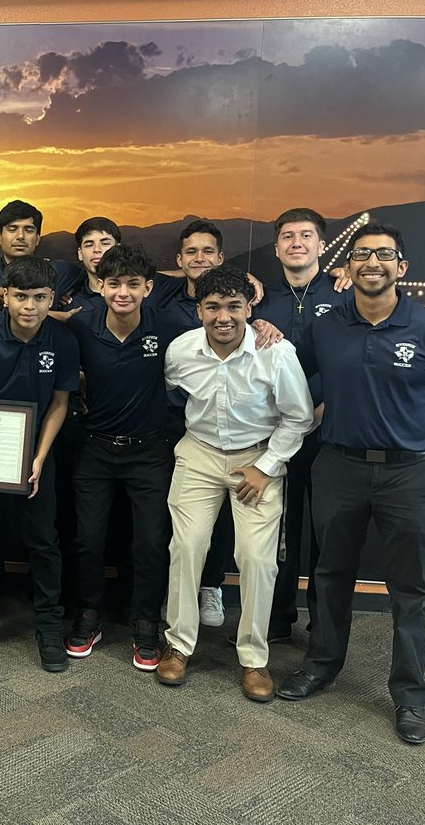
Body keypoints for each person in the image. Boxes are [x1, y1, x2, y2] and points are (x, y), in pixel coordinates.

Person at [277, 222, 425, 745]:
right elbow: (293, 373)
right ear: (346, 266)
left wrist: (414, 423)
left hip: (409, 473)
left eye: (384, 255)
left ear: (402, 267)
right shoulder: (327, 326)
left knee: (408, 590)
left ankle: (410, 696)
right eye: (361, 253)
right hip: (338, 466)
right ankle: (322, 665)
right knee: (329, 574)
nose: (372, 263)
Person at [156, 267, 313, 702]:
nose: (223, 317)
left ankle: (254, 658)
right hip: (200, 452)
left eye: (233, 307)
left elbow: (298, 417)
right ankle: (179, 645)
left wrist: (266, 466)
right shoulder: (180, 351)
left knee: (257, 559)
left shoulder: (276, 352)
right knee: (186, 547)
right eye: (212, 307)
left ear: (249, 308)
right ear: (199, 310)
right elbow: (170, 393)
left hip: (258, 457)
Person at [0, 257, 81, 671]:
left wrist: (40, 457)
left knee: (44, 540)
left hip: (34, 451)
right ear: (5, 296)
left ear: (51, 299)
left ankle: (48, 626)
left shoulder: (62, 339)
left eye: (40, 298)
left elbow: (60, 403)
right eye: (20, 296)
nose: (29, 306)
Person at [148, 220, 273, 629]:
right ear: (179, 260)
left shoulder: (255, 327)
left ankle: (213, 588)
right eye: (191, 253)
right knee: (185, 536)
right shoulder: (164, 295)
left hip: (248, 445)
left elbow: (296, 414)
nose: (199, 259)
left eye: (208, 252)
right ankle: (178, 628)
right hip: (188, 436)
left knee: (238, 541)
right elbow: (168, 378)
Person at [65, 244, 184, 670]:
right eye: (114, 283)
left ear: (148, 288)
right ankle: (89, 615)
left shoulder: (167, 325)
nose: (123, 292)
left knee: (151, 542)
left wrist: (261, 323)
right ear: (99, 285)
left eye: (134, 284)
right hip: (94, 448)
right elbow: (43, 322)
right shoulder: (82, 326)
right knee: (87, 539)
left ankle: (145, 623)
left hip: (149, 451)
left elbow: (219, 324)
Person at [250, 207, 348, 643]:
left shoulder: (345, 292)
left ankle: (324, 626)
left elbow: (352, 360)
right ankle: (277, 619)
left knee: (327, 533)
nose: (296, 243)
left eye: (306, 235)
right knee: (279, 530)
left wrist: (325, 406)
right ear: (276, 247)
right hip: (277, 434)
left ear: (321, 245)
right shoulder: (260, 298)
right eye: (288, 236)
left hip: (330, 430)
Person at [0, 199, 83, 309]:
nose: (20, 236)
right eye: (12, 229)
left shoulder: (58, 270)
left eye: (28, 230)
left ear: (37, 239)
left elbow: (95, 281)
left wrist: (72, 295)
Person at [61, 217, 121, 313]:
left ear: (119, 249)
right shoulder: (72, 305)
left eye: (105, 243)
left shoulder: (144, 293)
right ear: (80, 254)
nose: (97, 249)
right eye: (89, 245)